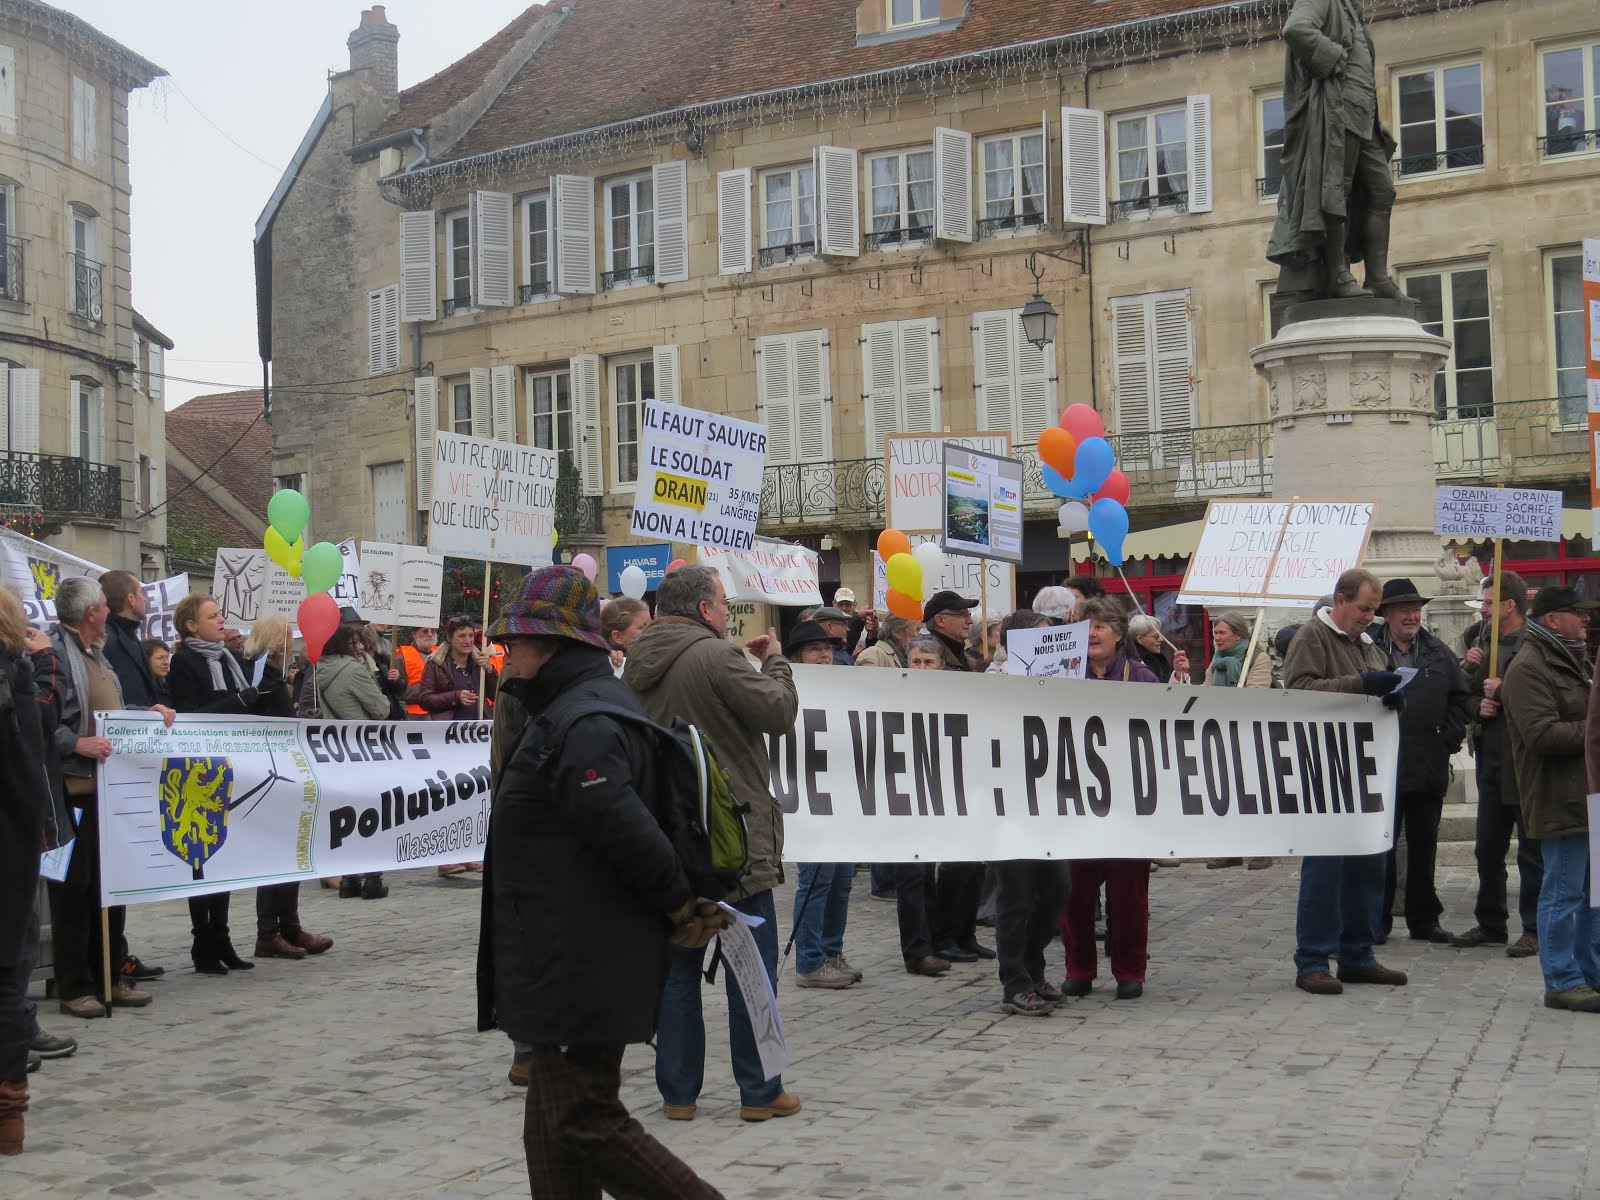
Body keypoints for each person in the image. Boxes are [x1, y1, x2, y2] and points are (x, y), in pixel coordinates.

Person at [477, 565, 729, 1197]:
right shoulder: (572, 707)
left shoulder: (581, 720)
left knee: (586, 1120)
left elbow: (621, 825)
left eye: (520, 643)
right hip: (563, 947)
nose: (510, 655)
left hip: (577, 953)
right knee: (553, 1124)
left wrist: (677, 902)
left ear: (553, 646)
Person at [623, 565, 801, 1123]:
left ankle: (678, 1094)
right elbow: (778, 712)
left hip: (669, 836)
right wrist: (773, 660)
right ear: (703, 609)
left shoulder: (635, 662)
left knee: (678, 969)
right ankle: (760, 1090)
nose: (728, 613)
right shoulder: (715, 656)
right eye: (723, 604)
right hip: (731, 835)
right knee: (752, 968)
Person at [43, 577, 172, 1014]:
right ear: (90, 614)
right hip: (73, 790)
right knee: (74, 891)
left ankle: (109, 976)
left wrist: (147, 713)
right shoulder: (58, 655)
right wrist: (75, 744)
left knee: (110, 884)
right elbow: (44, 721)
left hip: (107, 790)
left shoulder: (97, 655)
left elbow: (111, 714)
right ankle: (75, 986)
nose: (106, 611)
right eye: (101, 605)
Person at [1283, 568, 1407, 996]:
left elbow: (1376, 685)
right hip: (1324, 767)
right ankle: (1313, 959)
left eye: (1374, 610)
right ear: (1340, 599)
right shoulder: (1311, 638)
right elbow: (1298, 690)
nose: (1370, 617)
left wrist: (1391, 696)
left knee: (1368, 862)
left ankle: (1358, 953)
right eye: (1365, 608)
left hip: (1364, 766)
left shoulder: (1368, 644)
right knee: (1325, 867)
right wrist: (1361, 684)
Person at [168, 593, 280, 974]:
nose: (221, 620)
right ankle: (204, 943)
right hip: (198, 769)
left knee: (225, 856)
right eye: (212, 616)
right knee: (202, 855)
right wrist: (238, 701)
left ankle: (223, 938)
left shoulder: (230, 659)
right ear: (191, 625)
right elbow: (190, 715)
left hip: (231, 764)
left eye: (220, 614)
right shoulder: (184, 662)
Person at [1503, 586, 1600, 1012]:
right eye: (1577, 613)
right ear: (1551, 620)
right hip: (1558, 796)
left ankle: (1590, 972)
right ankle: (1561, 979)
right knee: (1563, 892)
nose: (1586, 619)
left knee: (1594, 894)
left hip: (1586, 792)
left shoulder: (1572, 658)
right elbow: (1540, 734)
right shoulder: (1528, 666)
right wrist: (1593, 733)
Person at [1058, 599, 1159, 1001]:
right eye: (1086, 626)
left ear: (1119, 634)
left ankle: (1130, 970)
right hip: (1074, 800)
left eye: (1101, 626)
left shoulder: (1144, 678)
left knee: (1128, 894)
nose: (1093, 633)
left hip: (1128, 802)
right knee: (1075, 894)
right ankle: (1078, 968)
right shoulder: (1059, 676)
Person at [1267, 0, 1400, 302]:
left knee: (1382, 192)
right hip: (1335, 113)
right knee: (1335, 192)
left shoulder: (1352, 9)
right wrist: (1332, 56)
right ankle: (1339, 274)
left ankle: (1378, 278)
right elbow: (1296, 28)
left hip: (1362, 117)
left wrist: (1375, 121)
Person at [1369, 579, 1469, 944]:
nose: (1412, 616)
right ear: (1387, 614)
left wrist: (1448, 738)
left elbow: (1460, 698)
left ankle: (1424, 919)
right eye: (1404, 609)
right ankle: (1377, 919)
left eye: (1416, 609)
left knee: (1425, 846)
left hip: (1428, 763)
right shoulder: (1369, 649)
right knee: (1382, 846)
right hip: (1382, 766)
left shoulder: (1438, 652)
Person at [1453, 570, 1544, 957]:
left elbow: (1541, 698)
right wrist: (1479, 700)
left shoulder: (1536, 644)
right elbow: (1465, 698)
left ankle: (1535, 928)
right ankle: (1491, 923)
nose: (1484, 609)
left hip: (1525, 763)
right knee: (1487, 849)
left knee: (1531, 851)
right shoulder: (1480, 639)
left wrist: (1504, 693)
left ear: (1510, 605)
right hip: (1491, 760)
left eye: (1490, 602)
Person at [984, 610, 1071, 1015]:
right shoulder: (994, 680)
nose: (1051, 641)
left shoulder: (1061, 680)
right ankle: (1015, 982)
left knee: (1057, 891)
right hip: (1009, 806)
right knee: (1016, 897)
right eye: (1042, 637)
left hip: (1049, 803)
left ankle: (1033, 969)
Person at [905, 590, 990, 967]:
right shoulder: (936, 655)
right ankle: (943, 936)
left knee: (973, 858)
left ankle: (964, 933)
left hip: (963, 768)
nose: (969, 621)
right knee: (948, 863)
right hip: (934, 773)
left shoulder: (964, 658)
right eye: (961, 615)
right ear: (940, 620)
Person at [0, 586, 54, 1153]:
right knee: (6, 975)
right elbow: (26, 764)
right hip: (11, 841)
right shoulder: (17, 676)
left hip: (14, 838)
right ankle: (8, 1116)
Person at [244, 618, 335, 956]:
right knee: (275, 852)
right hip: (268, 770)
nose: (291, 644)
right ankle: (268, 932)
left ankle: (290, 926)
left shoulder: (273, 677)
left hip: (284, 766)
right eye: (286, 638)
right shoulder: (258, 678)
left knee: (292, 849)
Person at [95, 570, 168, 984]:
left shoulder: (128, 637)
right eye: (140, 591)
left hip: (134, 752)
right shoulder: (115, 642)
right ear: (127, 600)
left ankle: (115, 950)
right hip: (119, 758)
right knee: (112, 864)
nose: (145, 597)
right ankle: (109, 955)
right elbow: (124, 700)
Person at [783, 622, 860, 990]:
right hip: (808, 795)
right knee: (816, 879)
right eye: (815, 649)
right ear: (797, 656)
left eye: (828, 647)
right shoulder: (787, 688)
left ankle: (831, 952)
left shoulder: (843, 684)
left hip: (841, 792)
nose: (824, 654)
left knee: (841, 879)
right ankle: (809, 962)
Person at [313, 624, 398, 899]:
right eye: (355, 643)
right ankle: (373, 878)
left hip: (337, 749)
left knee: (346, 815)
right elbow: (382, 709)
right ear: (343, 646)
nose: (361, 647)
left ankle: (349, 878)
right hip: (364, 748)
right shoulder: (353, 670)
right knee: (371, 814)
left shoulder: (319, 670)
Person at [1205, 611, 1274, 870]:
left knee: (1254, 792)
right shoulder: (1217, 660)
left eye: (1221, 632)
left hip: (1251, 733)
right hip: (1223, 732)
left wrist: (1234, 699)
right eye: (1215, 633)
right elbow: (1207, 691)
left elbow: (1257, 694)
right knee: (1227, 792)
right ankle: (1230, 849)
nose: (1217, 637)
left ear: (1238, 634)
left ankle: (1262, 848)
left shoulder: (1257, 658)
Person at [418, 613, 497, 720]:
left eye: (471, 635)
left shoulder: (480, 663)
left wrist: (490, 671)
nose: (468, 641)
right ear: (450, 638)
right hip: (448, 732)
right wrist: (456, 697)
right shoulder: (436, 663)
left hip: (479, 731)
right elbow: (425, 700)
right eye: (462, 636)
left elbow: (496, 696)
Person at [1129, 614, 1190, 684]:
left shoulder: (1158, 658)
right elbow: (1157, 687)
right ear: (1140, 639)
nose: (1161, 639)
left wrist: (1179, 674)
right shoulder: (1135, 662)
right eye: (1156, 636)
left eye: (1161, 635)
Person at [397, 626, 436, 718]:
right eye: (425, 631)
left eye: (433, 631)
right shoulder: (401, 656)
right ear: (414, 634)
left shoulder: (441, 653)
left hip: (440, 711)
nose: (430, 634)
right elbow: (399, 691)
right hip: (415, 715)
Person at [601, 597, 651, 669]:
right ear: (618, 637)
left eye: (651, 623)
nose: (651, 629)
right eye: (642, 626)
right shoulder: (605, 661)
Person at [141, 639, 171, 704]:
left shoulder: (170, 685)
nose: (166, 662)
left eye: (167, 657)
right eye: (160, 658)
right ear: (145, 660)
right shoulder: (140, 690)